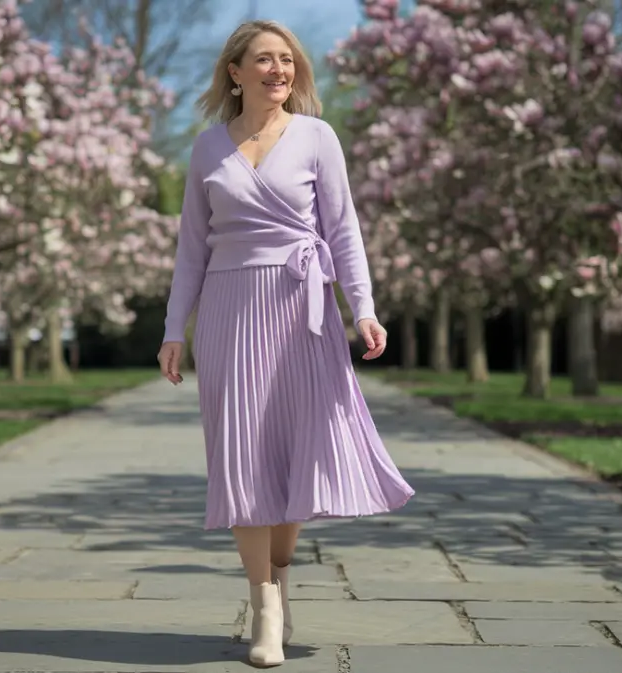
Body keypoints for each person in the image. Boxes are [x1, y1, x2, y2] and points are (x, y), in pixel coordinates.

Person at [156, 20, 415, 667]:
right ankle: (264, 604)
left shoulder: (318, 138)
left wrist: (365, 309)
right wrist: (172, 329)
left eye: (287, 60)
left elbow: (344, 229)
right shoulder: (206, 149)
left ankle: (281, 576)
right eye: (264, 60)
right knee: (243, 457)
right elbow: (191, 248)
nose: (279, 70)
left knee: (297, 455)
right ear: (235, 72)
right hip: (229, 311)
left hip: (305, 313)